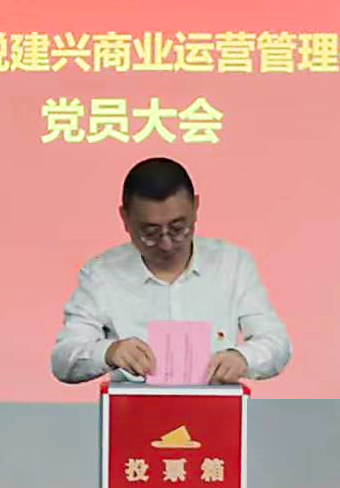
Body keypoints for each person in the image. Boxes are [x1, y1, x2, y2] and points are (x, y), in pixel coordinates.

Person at [51, 157, 291, 384]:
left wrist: (243, 358)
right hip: (133, 408)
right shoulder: (102, 274)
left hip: (214, 407)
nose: (166, 244)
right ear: (125, 218)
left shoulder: (232, 264)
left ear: (196, 207)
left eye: (178, 228)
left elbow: (276, 343)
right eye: (150, 232)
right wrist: (108, 352)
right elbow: (63, 360)